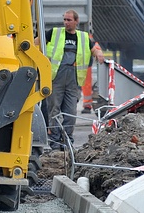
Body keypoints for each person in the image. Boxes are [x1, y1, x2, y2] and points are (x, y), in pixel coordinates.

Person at [40, 9, 105, 149]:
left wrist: (99, 54)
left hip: (73, 80)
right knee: (54, 111)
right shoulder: (54, 33)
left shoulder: (83, 37)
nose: (66, 22)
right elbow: (36, 43)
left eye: (69, 20)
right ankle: (55, 143)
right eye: (64, 19)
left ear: (76, 22)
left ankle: (67, 141)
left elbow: (94, 48)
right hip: (56, 77)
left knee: (70, 113)